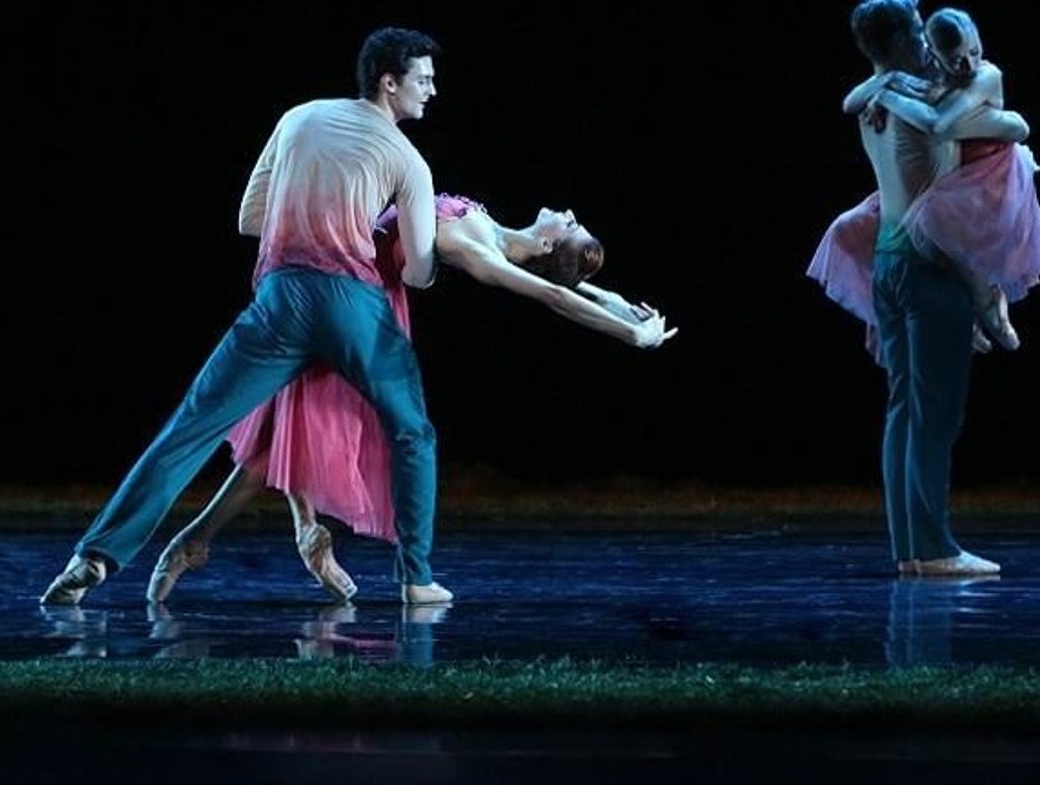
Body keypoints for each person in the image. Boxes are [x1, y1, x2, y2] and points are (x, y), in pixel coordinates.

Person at [40, 27, 454, 607]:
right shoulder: (409, 161)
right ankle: (415, 578)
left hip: (280, 300)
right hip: (352, 306)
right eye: (424, 80)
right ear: (390, 82)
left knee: (190, 428)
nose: (432, 90)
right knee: (412, 432)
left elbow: (249, 218)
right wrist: (421, 249)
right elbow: (415, 272)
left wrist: (311, 220)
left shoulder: (298, 118)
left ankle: (95, 556)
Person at [145, 195, 676, 603]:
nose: (568, 212)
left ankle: (236, 536)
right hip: (328, 287)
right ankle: (270, 532)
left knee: (293, 430)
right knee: (284, 429)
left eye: (571, 224)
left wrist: (628, 334)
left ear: (544, 246)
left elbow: (554, 294)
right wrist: (619, 305)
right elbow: (564, 284)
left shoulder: (478, 250)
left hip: (356, 312)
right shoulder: (492, 230)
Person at [841, 0, 1032, 578]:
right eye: (919, 33)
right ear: (898, 43)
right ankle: (933, 548)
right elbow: (1004, 125)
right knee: (934, 416)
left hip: (891, 265)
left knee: (905, 410)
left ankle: (912, 550)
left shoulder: (875, 103)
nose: (927, 43)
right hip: (930, 268)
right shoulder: (912, 102)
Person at [809, 7, 1040, 353]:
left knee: (929, 225)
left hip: (988, 171)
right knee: (850, 227)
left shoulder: (983, 75)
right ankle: (937, 309)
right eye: (955, 59)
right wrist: (886, 82)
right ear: (933, 49)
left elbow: (941, 124)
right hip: (956, 173)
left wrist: (889, 95)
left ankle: (986, 300)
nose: (967, 65)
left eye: (973, 52)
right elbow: (850, 103)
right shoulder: (933, 73)